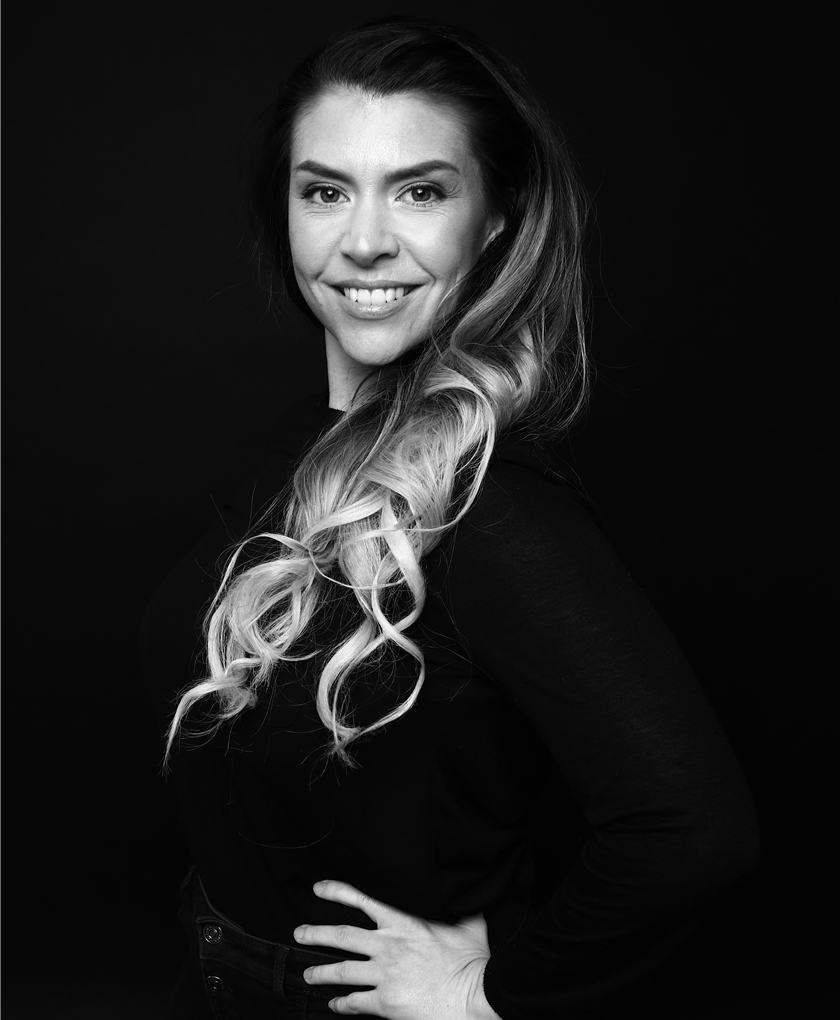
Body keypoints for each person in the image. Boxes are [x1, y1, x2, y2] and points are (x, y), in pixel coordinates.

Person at [141, 16, 760, 1019]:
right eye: (324, 191)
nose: (364, 240)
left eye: (421, 191)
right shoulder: (303, 454)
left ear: (498, 218)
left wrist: (485, 996)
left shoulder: (492, 504)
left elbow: (692, 831)